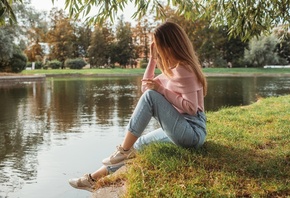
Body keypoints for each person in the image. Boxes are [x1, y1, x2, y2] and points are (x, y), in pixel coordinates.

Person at [68, 21, 207, 192]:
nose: (158, 50)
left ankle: (124, 150)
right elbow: (145, 88)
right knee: (139, 144)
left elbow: (191, 108)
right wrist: (152, 60)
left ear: (169, 45)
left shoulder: (185, 69)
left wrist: (162, 90)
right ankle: (92, 179)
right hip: (183, 127)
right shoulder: (173, 69)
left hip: (193, 131)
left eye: (159, 46)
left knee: (151, 97)